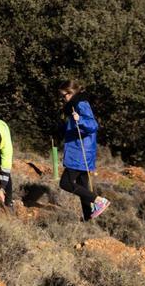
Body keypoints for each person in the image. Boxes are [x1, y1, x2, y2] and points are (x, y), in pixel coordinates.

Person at [58, 80, 110, 221]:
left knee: (65, 183)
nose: (63, 99)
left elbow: (93, 125)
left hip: (80, 153)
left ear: (71, 93)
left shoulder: (80, 104)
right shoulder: (74, 105)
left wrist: (79, 119)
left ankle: (99, 201)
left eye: (64, 95)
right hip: (80, 151)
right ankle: (88, 218)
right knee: (82, 187)